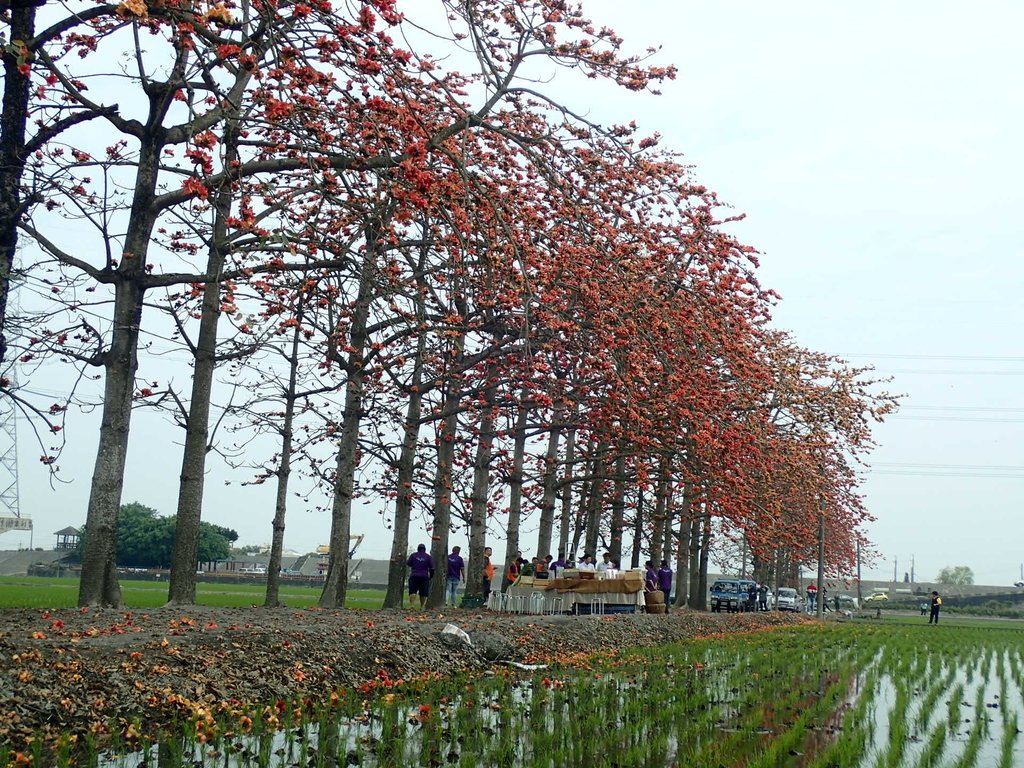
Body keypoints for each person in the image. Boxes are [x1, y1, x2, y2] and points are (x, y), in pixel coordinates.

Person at [406, 544, 434, 610]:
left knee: (413, 591)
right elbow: (432, 568)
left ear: (418, 549)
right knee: (424, 592)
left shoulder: (413, 555)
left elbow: (408, 563)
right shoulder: (428, 557)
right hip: (424, 576)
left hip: (414, 575)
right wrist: (431, 576)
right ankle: (422, 607)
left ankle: (412, 605)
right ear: (425, 549)